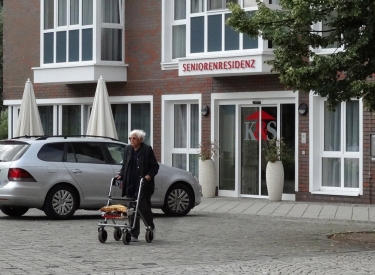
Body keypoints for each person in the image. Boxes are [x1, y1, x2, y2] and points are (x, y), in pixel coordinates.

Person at [116, 129, 159, 242]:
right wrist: (121, 174)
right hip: (130, 183)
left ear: (140, 139)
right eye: (130, 138)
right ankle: (134, 233)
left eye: (134, 138)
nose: (131, 140)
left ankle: (150, 227)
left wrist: (149, 175)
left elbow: (155, 166)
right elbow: (125, 164)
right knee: (131, 209)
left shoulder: (147, 149)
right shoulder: (128, 149)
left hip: (143, 184)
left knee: (143, 208)